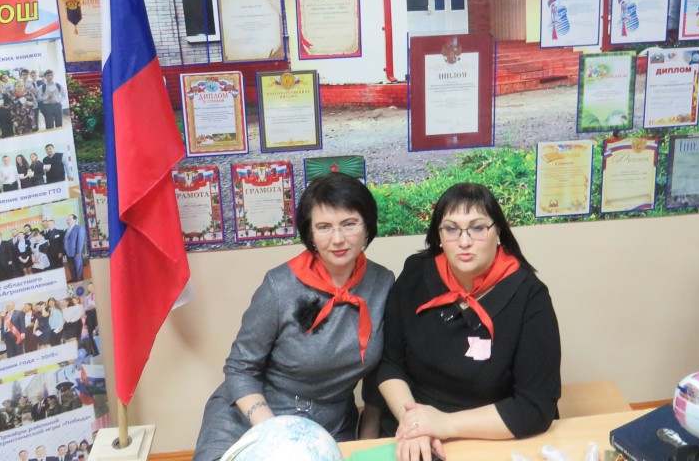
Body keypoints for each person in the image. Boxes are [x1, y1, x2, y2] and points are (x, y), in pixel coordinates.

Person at [194, 172, 395, 461]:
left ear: (367, 228)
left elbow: (382, 371)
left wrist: (367, 440)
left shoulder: (383, 283)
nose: (338, 239)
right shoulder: (279, 286)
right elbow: (240, 369)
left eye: (349, 224)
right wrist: (276, 436)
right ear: (310, 234)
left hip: (330, 425)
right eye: (324, 227)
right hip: (254, 416)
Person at [377, 182, 561, 461]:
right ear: (439, 236)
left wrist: (443, 424)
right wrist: (414, 421)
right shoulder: (416, 273)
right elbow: (390, 363)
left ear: (498, 232)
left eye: (477, 228)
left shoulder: (529, 296)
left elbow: (534, 407)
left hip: (491, 436)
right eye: (451, 229)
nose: (464, 242)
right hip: (412, 431)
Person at [63, 214, 86, 282]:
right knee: (71, 267)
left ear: (75, 220)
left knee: (78, 267)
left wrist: (78, 252)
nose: (67, 221)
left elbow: (80, 241)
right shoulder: (67, 230)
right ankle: (74, 279)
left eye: (69, 219)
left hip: (76, 252)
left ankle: (79, 280)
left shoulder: (79, 228)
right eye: (67, 220)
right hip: (68, 252)